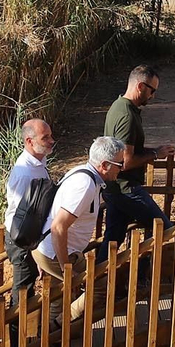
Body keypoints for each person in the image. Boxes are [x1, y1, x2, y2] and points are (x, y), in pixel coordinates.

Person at [32, 136, 125, 322]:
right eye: (120, 164)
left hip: (55, 251)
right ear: (105, 165)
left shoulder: (84, 174)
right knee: (99, 286)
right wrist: (66, 267)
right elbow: (58, 226)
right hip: (55, 253)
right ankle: (58, 327)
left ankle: (51, 341)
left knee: (57, 300)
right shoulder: (84, 185)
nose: (122, 168)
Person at [102, 66, 175, 247]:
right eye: (152, 90)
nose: (153, 96)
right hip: (126, 188)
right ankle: (140, 269)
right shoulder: (127, 115)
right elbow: (126, 161)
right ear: (141, 86)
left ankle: (104, 274)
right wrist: (155, 154)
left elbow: (128, 149)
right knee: (164, 229)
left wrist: (154, 150)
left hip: (114, 187)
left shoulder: (118, 106)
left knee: (112, 240)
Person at [3, 118, 54, 300]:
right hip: (22, 237)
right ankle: (17, 327)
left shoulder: (39, 160)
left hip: (31, 234)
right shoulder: (24, 173)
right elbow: (23, 218)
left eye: (50, 136)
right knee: (23, 287)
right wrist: (35, 249)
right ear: (29, 142)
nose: (51, 140)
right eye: (45, 137)